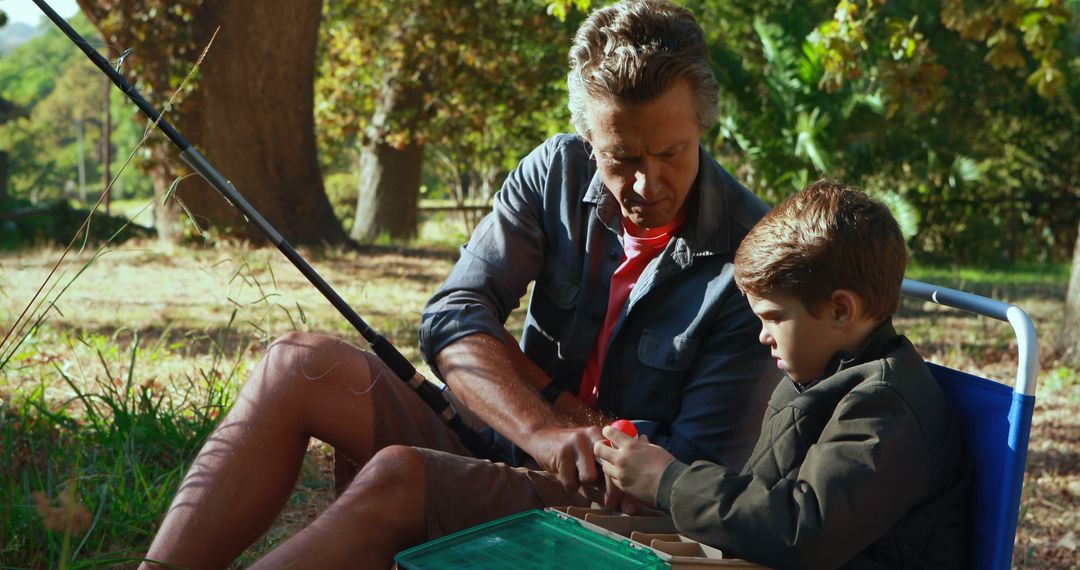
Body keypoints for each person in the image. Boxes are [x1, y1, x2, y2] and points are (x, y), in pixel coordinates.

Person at [141, 1, 776, 568]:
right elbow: (453, 314)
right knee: (297, 363)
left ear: (703, 127)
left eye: (671, 153)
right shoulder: (553, 171)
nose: (647, 184)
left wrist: (539, 398)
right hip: (507, 439)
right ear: (589, 140)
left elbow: (693, 474)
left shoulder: (756, 257)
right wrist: (542, 429)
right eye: (623, 159)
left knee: (399, 475)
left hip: (617, 511)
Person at [595, 180, 973, 569]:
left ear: (841, 311)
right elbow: (764, 495)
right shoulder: (819, 376)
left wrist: (669, 484)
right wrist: (661, 492)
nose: (764, 336)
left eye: (774, 318)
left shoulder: (884, 407)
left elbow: (802, 531)